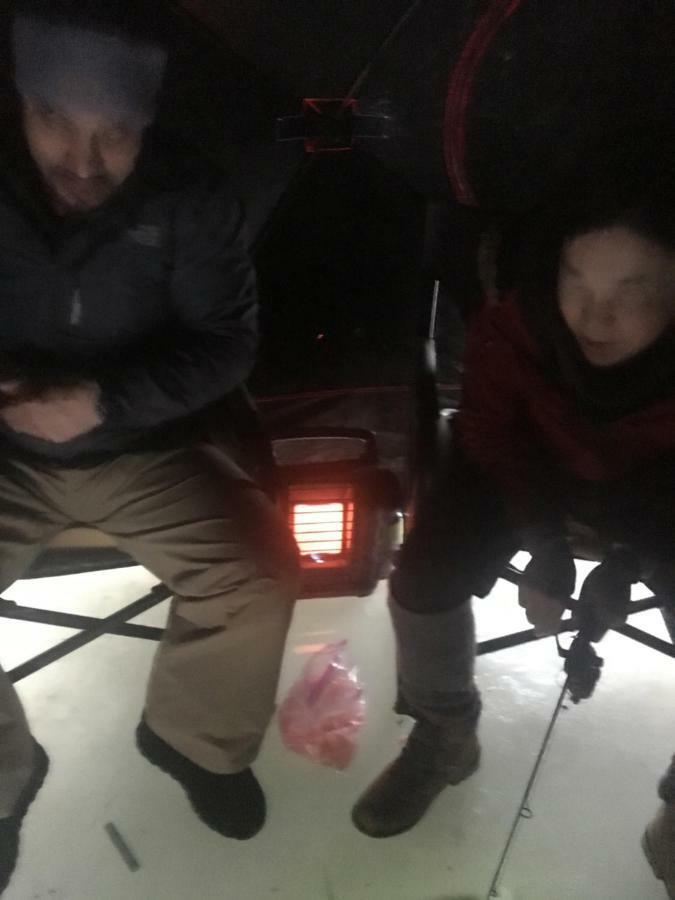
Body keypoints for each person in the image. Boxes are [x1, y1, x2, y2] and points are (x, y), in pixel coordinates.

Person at [0, 1, 298, 890]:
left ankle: (192, 741)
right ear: (19, 99)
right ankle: (6, 780)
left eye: (115, 133)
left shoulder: (191, 196)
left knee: (260, 575)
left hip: (143, 446)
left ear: (149, 124)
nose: (83, 163)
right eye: (56, 120)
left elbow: (228, 342)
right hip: (6, 451)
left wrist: (105, 398)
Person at [351, 142, 675, 895]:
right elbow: (491, 431)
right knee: (422, 574)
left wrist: (627, 559)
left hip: (657, 495)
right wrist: (544, 543)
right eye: (576, 280)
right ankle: (444, 731)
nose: (596, 313)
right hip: (528, 470)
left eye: (632, 290)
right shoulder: (516, 325)